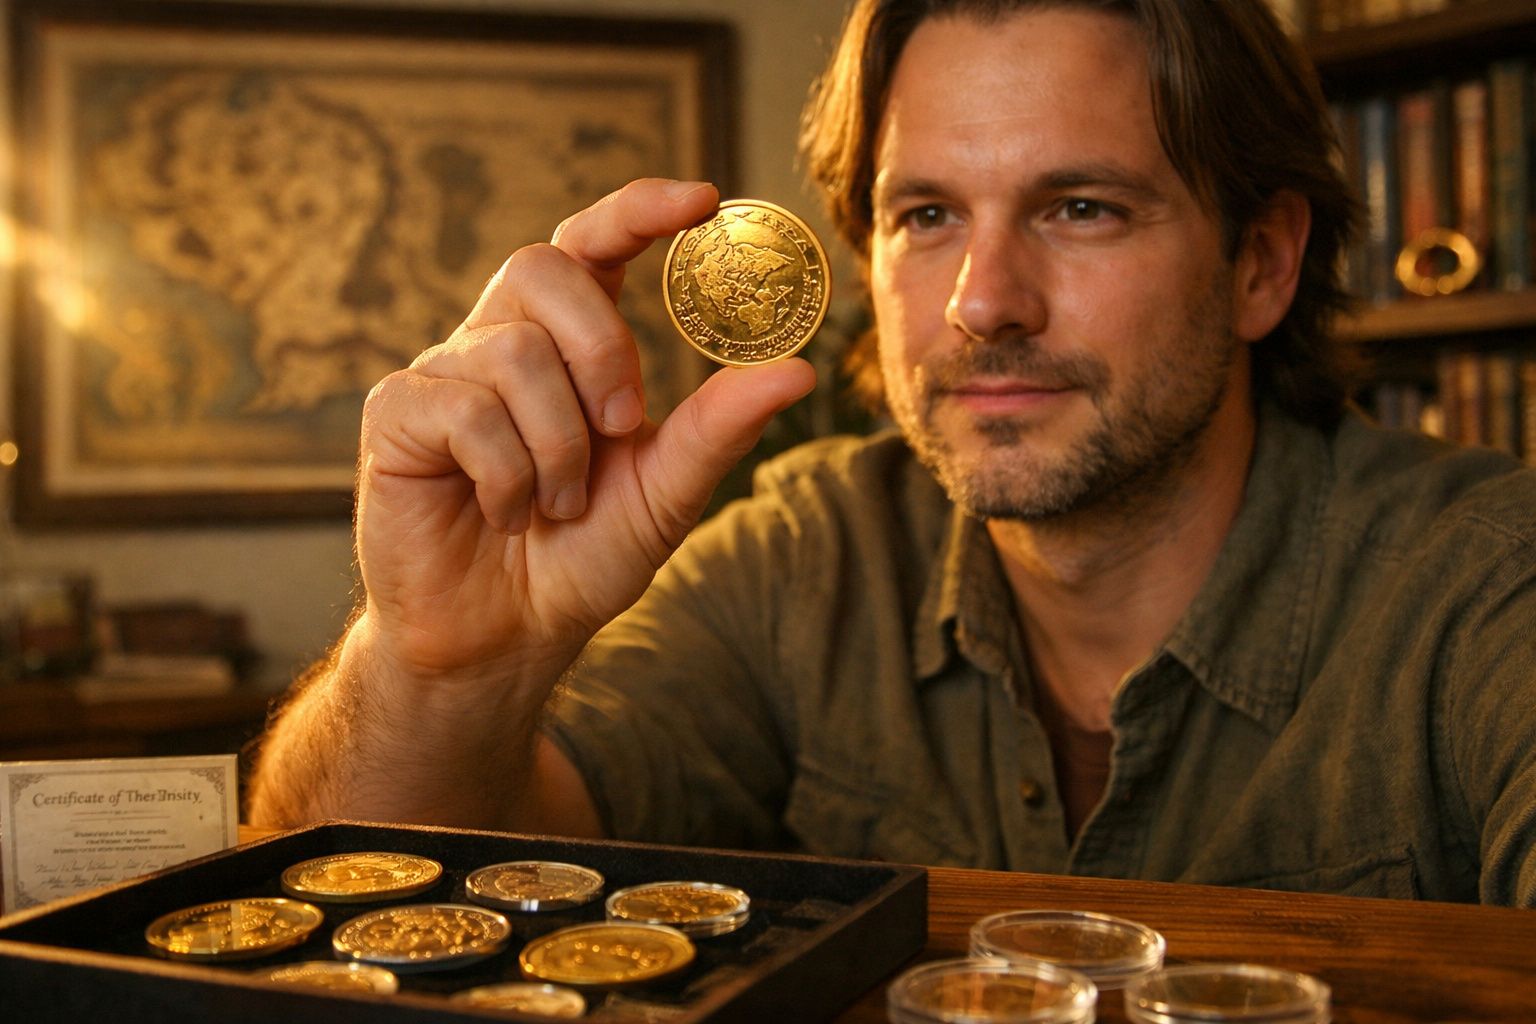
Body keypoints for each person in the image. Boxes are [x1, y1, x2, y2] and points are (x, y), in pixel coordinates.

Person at [247, 0, 1536, 905]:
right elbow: (332, 898)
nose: (984, 302)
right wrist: (441, 658)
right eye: (924, 215)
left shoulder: (1486, 587)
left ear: (1260, 264)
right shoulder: (802, 560)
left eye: (1080, 208)